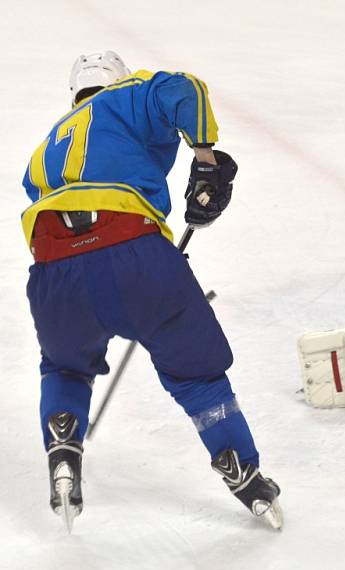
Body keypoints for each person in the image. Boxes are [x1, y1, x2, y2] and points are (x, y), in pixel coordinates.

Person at [21, 51, 282, 531]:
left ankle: (63, 446)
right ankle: (240, 468)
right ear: (114, 80)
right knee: (197, 375)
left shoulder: (46, 147)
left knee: (65, 366)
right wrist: (205, 161)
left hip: (54, 274)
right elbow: (185, 89)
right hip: (134, 256)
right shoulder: (129, 95)